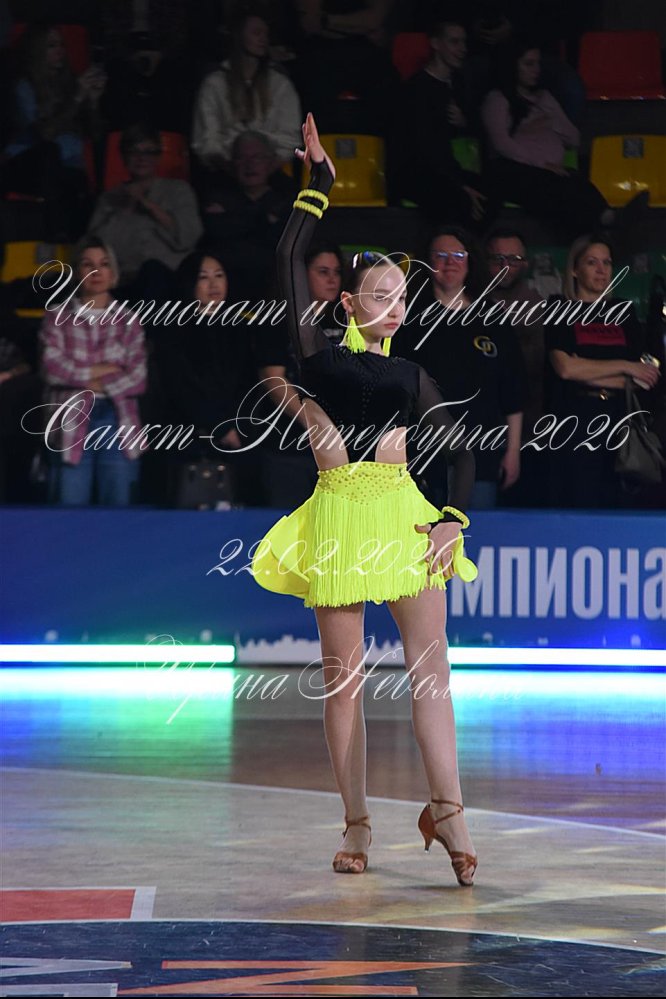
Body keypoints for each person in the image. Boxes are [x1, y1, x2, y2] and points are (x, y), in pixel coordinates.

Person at [251, 114, 480, 885]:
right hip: (340, 519)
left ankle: (448, 811)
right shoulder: (316, 358)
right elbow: (287, 256)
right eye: (379, 293)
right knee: (342, 679)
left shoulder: (413, 378)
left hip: (404, 518)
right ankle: (356, 822)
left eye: (401, 296)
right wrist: (318, 185)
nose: (395, 304)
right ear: (347, 302)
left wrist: (451, 520)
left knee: (431, 670)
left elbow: (462, 450)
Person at [396, 226, 527, 509]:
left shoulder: (492, 318)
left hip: (482, 453)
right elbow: (396, 392)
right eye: (440, 255)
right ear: (427, 262)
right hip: (422, 454)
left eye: (458, 255)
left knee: (474, 530)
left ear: (470, 261)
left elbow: (513, 393)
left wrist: (513, 452)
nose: (450, 263)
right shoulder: (408, 318)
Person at [481, 39, 648, 240]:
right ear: (512, 66)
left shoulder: (544, 98)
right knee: (558, 189)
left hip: (551, 170)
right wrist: (541, 164)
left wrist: (551, 119)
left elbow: (573, 139)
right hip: (513, 170)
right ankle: (601, 229)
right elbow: (502, 144)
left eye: (537, 63)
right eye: (529, 64)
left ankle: (609, 219)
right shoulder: (497, 100)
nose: (536, 70)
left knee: (579, 184)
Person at [545, 234, 661, 508]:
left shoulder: (623, 311)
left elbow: (646, 375)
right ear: (575, 269)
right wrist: (624, 366)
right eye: (592, 262)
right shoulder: (560, 308)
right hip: (574, 422)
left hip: (620, 420)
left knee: (618, 503)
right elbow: (565, 368)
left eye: (606, 263)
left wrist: (587, 370)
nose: (601, 270)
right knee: (578, 501)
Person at [39, 237, 147, 505]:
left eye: (104, 264)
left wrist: (81, 375)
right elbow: (52, 368)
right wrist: (106, 371)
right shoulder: (56, 316)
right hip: (70, 418)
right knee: (69, 511)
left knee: (119, 511)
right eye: (88, 264)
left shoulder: (129, 320)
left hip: (117, 418)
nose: (96, 271)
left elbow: (137, 378)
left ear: (113, 273)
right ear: (77, 272)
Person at [154, 247, 264, 506]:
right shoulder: (174, 328)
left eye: (219, 275)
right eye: (203, 277)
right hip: (188, 438)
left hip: (239, 437)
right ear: (190, 282)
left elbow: (250, 383)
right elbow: (180, 385)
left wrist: (239, 425)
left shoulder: (241, 327)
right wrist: (221, 427)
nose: (213, 284)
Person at [252, 241, 344, 507]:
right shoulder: (278, 318)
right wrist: (314, 424)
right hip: (289, 444)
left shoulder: (347, 319)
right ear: (301, 275)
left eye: (337, 272)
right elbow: (273, 378)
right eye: (323, 272)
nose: (332, 279)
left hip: (341, 449)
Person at [389, 11, 489, 228]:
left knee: (490, 193)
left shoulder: (460, 84)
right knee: (457, 200)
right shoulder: (417, 89)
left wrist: (464, 122)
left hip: (448, 168)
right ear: (435, 44)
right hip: (417, 171)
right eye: (454, 42)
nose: (462, 49)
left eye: (464, 42)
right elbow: (425, 147)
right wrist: (459, 184)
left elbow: (477, 130)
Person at [88, 123, 203, 292]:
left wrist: (147, 204)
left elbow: (188, 237)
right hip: (124, 280)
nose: (141, 158)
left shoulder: (178, 190)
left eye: (149, 152)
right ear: (124, 156)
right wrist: (126, 207)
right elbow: (99, 247)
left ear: (158, 156)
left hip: (170, 279)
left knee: (153, 271)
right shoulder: (109, 198)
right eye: (134, 152)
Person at [191, 7, 301, 171]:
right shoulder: (214, 84)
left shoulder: (280, 84)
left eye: (266, 34)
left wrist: (262, 169)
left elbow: (290, 138)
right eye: (256, 33)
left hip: (270, 171)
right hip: (225, 170)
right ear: (238, 36)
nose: (263, 39)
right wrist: (236, 169)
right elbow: (207, 140)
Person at [485, 228, 546, 506]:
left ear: (526, 264)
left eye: (513, 259)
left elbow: (535, 366)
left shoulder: (537, 307)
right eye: (498, 258)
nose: (505, 266)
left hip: (529, 428)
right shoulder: (469, 303)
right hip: (479, 426)